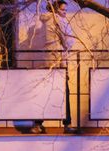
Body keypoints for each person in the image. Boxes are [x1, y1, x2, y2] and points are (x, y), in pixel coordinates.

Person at [28, 0, 75, 134]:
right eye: (62, 10)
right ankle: (67, 124)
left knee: (44, 93)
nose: (65, 13)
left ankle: (37, 124)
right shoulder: (58, 21)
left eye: (66, 10)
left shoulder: (43, 21)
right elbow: (69, 41)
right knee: (64, 93)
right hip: (57, 62)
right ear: (55, 10)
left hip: (44, 63)